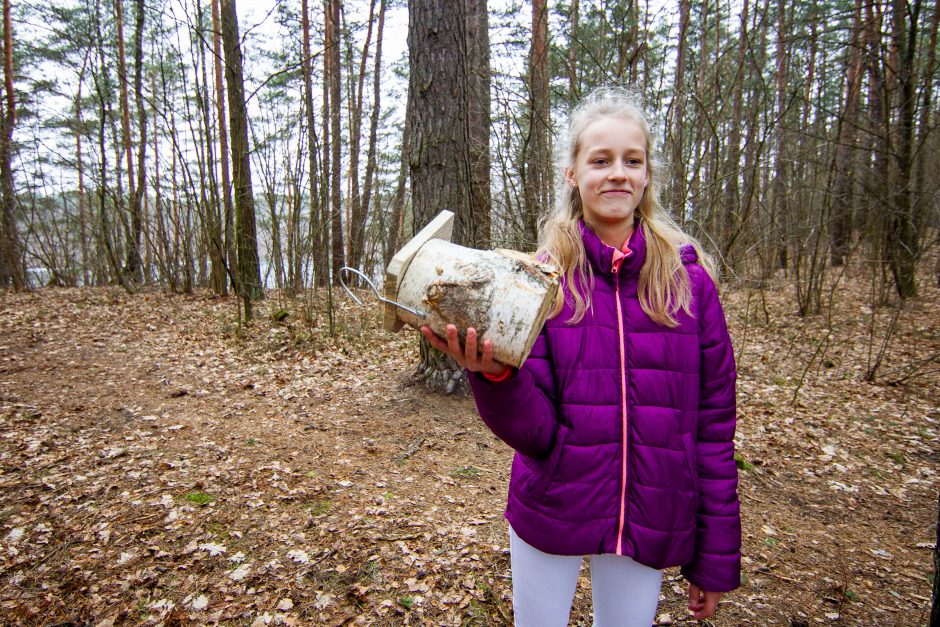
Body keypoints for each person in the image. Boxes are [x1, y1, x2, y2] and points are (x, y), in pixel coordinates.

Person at [421, 86, 741, 626]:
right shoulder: (539, 283)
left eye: (631, 160)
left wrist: (715, 561)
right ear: (573, 174)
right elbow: (535, 433)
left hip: (652, 516)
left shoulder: (690, 287)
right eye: (600, 160)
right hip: (553, 510)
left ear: (646, 175)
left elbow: (713, 433)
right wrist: (495, 375)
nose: (617, 173)